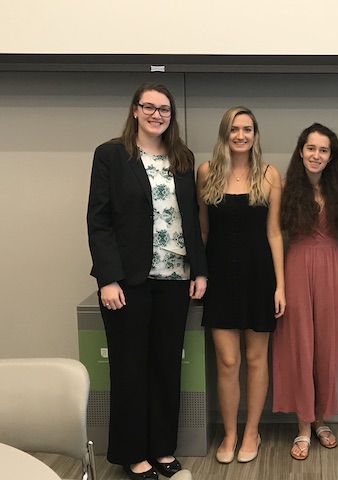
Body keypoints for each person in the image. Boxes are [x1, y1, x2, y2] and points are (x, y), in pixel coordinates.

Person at [87, 82, 207, 480]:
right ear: (135, 110)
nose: (158, 114)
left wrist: (200, 269)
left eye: (165, 109)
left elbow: (191, 219)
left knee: (165, 368)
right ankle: (132, 453)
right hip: (128, 282)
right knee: (129, 369)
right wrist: (108, 278)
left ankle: (162, 449)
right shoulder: (111, 155)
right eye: (150, 107)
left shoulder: (182, 158)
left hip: (175, 279)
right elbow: (99, 221)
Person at [196, 106, 285, 464]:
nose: (241, 135)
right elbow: (203, 230)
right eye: (234, 129)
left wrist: (280, 285)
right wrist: (198, 274)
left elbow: (275, 232)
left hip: (259, 278)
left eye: (247, 129)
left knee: (255, 358)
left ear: (255, 134)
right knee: (228, 362)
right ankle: (230, 432)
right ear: (225, 133)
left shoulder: (269, 175)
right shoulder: (206, 173)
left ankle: (252, 432)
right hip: (219, 279)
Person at [272, 123, 338, 460]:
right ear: (301, 151)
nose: (316, 155)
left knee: (326, 348)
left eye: (323, 150)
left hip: (331, 271)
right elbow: (274, 235)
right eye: (311, 148)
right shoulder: (285, 187)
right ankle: (303, 426)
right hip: (296, 269)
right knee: (299, 347)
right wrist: (278, 285)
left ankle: (321, 418)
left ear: (330, 156)